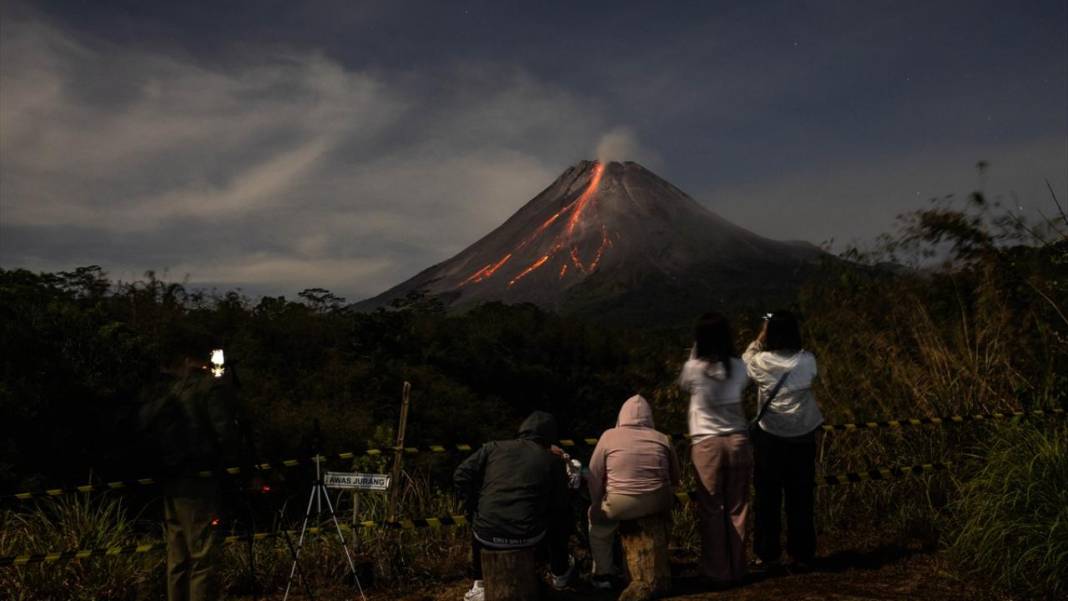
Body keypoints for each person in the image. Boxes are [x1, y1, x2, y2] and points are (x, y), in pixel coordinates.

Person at [139, 350, 241, 601]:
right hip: (198, 483)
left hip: (171, 480)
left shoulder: (170, 391)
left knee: (177, 557)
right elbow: (225, 434)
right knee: (202, 558)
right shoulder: (205, 388)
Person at [454, 411, 576, 601]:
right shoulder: (552, 460)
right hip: (529, 537)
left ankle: (480, 583)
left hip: (486, 535)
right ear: (551, 437)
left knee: (483, 517)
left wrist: (473, 505)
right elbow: (560, 503)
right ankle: (559, 573)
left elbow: (461, 475)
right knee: (561, 518)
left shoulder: (492, 447)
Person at [743, 310, 823, 571]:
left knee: (767, 498)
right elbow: (810, 376)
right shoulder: (807, 360)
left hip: (770, 436)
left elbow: (746, 359)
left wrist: (761, 335)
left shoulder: (761, 361)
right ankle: (802, 554)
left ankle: (768, 554)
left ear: (771, 333)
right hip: (803, 435)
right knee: (801, 497)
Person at [678, 312, 753, 586]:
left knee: (712, 509)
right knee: (738, 507)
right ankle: (737, 568)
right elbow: (743, 383)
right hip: (738, 440)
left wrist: (694, 352)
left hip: (707, 443)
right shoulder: (739, 366)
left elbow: (685, 385)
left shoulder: (694, 368)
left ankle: (717, 571)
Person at [586, 394, 680, 590]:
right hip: (659, 501)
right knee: (664, 519)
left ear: (622, 416)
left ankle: (603, 574)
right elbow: (675, 477)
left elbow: (594, 474)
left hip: (620, 503)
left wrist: (596, 503)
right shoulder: (662, 438)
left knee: (600, 528)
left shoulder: (608, 436)